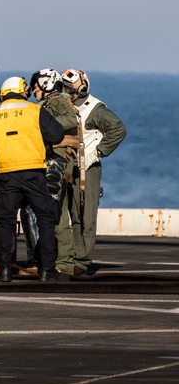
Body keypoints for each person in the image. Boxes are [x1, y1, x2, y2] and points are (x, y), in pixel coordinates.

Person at [0, 76, 66, 283]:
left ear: (2, 94)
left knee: (6, 222)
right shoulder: (35, 110)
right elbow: (57, 135)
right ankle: (47, 270)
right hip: (33, 173)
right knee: (46, 219)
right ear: (24, 91)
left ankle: (4, 271)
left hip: (6, 176)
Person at [61, 68, 127, 276]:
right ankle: (69, 255)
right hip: (67, 165)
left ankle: (82, 259)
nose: (66, 91)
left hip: (87, 166)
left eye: (69, 87)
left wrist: (97, 153)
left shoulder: (95, 109)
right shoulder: (65, 106)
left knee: (85, 211)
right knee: (70, 211)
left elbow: (118, 129)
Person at [29, 69, 81, 275]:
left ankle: (64, 262)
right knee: (56, 214)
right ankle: (61, 261)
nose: (34, 92)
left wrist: (44, 125)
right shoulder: (52, 102)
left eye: (35, 87)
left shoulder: (56, 101)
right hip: (59, 161)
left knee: (53, 212)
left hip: (60, 162)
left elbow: (70, 121)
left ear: (45, 84)